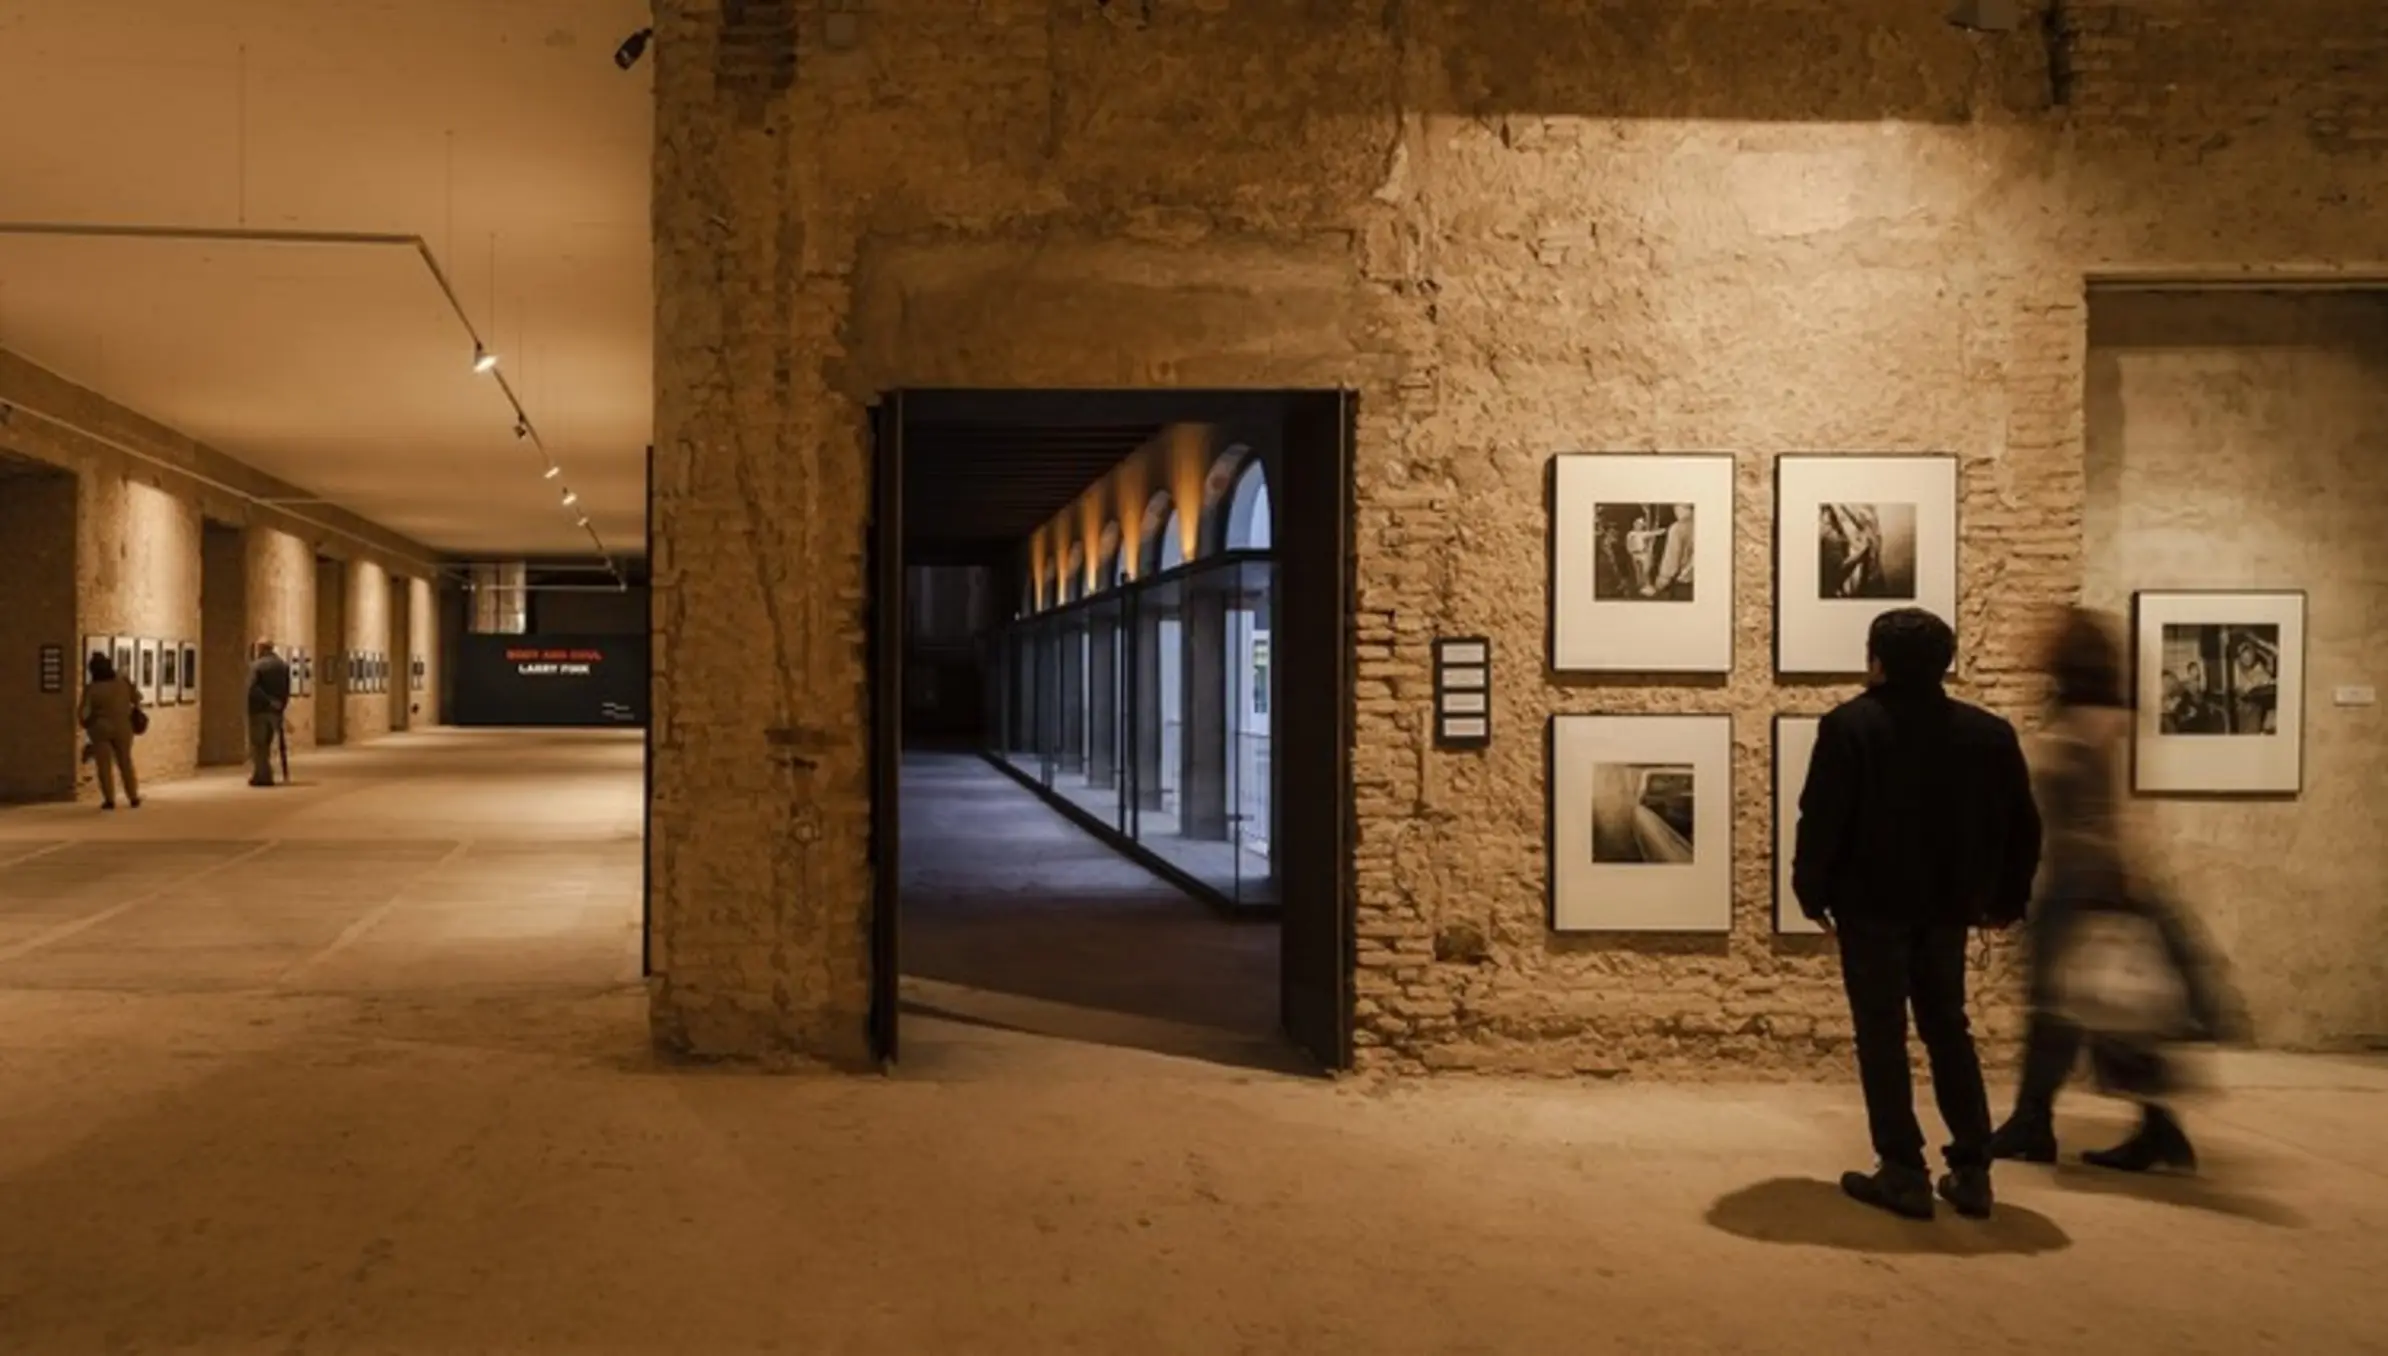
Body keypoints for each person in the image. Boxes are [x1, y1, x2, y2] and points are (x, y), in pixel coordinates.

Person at [1794, 608, 2042, 1221]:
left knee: (1881, 1033)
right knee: (1948, 1027)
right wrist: (2008, 899)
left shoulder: (1850, 726)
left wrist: (1810, 890)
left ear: (1877, 660)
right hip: (1949, 906)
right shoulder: (1988, 733)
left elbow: (1822, 817)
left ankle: (1902, 1170)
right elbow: (2022, 827)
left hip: (1871, 904)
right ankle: (1973, 1169)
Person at [1990, 608, 2230, 1174]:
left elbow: (2112, 815)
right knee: (2080, 1009)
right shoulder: (2091, 719)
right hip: (2080, 879)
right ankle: (2139, 1126)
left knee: (2077, 1007)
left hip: (2087, 885)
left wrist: (2117, 885)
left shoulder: (2095, 727)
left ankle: (2046, 1122)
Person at [76, 651, 144, 810]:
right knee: (125, 762)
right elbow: (137, 698)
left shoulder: (92, 688)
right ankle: (133, 796)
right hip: (123, 727)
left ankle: (109, 799)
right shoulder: (123, 683)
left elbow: (84, 712)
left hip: (100, 729)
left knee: (104, 765)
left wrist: (85, 721)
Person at [246, 640, 293, 787]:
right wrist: (280, 705)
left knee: (259, 744)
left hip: (259, 710)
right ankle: (261, 773)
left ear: (261, 649)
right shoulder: (283, 666)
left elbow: (253, 688)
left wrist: (268, 701)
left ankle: (263, 775)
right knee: (268, 741)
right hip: (276, 711)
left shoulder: (257, 666)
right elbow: (286, 689)